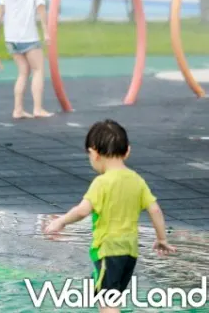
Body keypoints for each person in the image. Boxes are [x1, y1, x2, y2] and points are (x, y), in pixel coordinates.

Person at [45, 120, 176, 312]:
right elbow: (155, 210)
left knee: (107, 304)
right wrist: (161, 238)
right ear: (127, 151)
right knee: (105, 295)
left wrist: (60, 221)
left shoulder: (102, 183)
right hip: (130, 253)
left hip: (108, 250)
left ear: (94, 153)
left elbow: (82, 210)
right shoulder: (137, 180)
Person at [0, 0, 53, 119]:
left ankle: (18, 110)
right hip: (28, 36)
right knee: (38, 70)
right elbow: (40, 6)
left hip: (11, 37)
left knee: (23, 72)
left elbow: (1, 7)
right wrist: (46, 32)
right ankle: (38, 108)